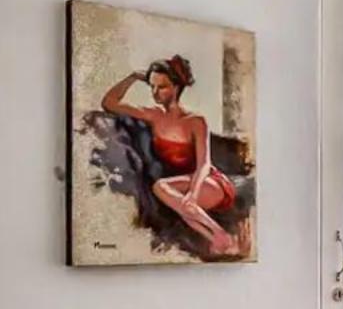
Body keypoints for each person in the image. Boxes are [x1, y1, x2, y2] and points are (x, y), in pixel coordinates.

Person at [100, 55, 239, 257]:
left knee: (162, 188)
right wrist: (132, 77)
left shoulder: (196, 121)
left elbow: (204, 164)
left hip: (209, 183)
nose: (155, 93)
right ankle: (219, 238)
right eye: (152, 87)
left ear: (176, 87)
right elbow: (109, 103)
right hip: (178, 186)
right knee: (175, 198)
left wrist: (193, 194)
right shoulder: (153, 115)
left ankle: (219, 234)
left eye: (162, 87)